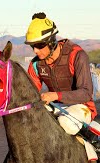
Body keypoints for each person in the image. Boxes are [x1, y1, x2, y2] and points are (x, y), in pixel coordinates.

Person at [26, 12, 100, 150]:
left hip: (82, 107)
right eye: (32, 46)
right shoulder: (36, 64)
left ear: (51, 42)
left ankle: (94, 147)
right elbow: (29, 93)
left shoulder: (77, 55)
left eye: (39, 45)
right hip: (55, 107)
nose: (35, 51)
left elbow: (86, 93)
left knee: (65, 123)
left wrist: (54, 95)